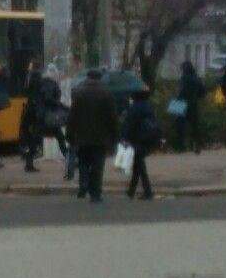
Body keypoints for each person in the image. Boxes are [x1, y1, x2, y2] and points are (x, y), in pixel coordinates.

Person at [67, 69, 119, 202]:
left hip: (82, 136)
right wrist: (115, 136)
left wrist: (70, 135)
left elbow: (72, 116)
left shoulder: (79, 94)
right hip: (101, 137)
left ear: (88, 77)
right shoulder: (106, 94)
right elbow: (112, 118)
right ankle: (95, 193)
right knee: (98, 165)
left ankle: (83, 184)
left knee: (83, 163)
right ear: (100, 78)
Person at [24, 63, 68, 172]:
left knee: (38, 138)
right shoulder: (50, 84)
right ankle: (69, 160)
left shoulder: (42, 82)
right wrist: (62, 106)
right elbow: (48, 99)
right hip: (47, 116)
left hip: (42, 115)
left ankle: (29, 163)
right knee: (59, 137)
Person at [122, 87, 161, 200]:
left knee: (139, 164)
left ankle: (147, 191)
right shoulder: (149, 107)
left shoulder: (135, 108)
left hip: (137, 139)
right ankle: (132, 191)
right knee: (138, 164)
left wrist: (124, 137)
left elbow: (129, 124)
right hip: (149, 138)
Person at [175, 61, 206, 154]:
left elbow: (180, 92)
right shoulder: (197, 78)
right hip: (193, 103)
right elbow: (203, 91)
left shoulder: (183, 79)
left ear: (184, 70)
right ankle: (197, 145)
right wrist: (196, 97)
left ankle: (181, 147)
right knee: (195, 126)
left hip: (181, 103)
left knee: (180, 126)